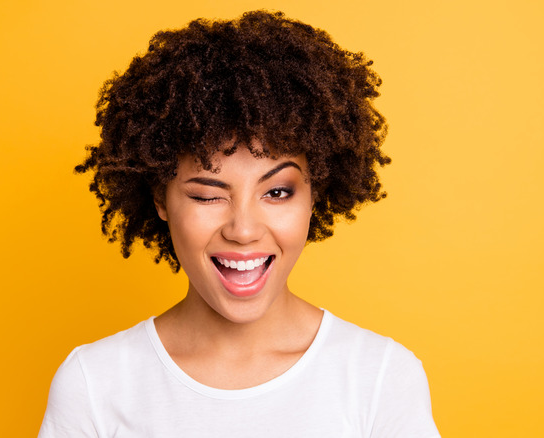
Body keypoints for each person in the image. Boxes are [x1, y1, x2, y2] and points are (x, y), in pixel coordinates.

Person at [38, 10, 440, 437]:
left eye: (277, 192)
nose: (243, 230)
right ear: (160, 197)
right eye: (208, 194)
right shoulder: (94, 385)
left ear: (314, 194)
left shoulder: (379, 379)